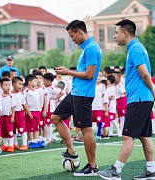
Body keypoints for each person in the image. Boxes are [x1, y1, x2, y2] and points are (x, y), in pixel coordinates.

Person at [98, 19, 155, 180]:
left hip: (138, 98)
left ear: (125, 33)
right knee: (144, 136)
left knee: (127, 136)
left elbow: (145, 73)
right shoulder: (136, 48)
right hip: (141, 98)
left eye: (116, 33)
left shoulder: (136, 49)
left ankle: (116, 171)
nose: (115, 36)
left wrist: (154, 91)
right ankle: (152, 171)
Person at [51, 19, 102, 176]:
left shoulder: (92, 48)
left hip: (83, 95)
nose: (71, 39)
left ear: (80, 32)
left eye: (72, 36)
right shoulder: (87, 49)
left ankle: (92, 167)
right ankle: (72, 152)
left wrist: (68, 72)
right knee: (56, 117)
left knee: (86, 130)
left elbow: (90, 74)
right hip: (75, 93)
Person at [11, 77, 30, 151]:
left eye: (22, 84)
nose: (21, 86)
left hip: (20, 113)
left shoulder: (21, 94)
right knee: (12, 129)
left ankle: (24, 144)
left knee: (22, 129)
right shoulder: (10, 94)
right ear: (13, 84)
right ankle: (14, 143)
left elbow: (24, 104)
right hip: (12, 114)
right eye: (19, 84)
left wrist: (28, 111)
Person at [0, 78, 16, 152]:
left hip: (8, 117)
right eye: (6, 85)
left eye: (9, 85)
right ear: (1, 86)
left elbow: (13, 107)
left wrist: (12, 116)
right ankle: (5, 145)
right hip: (1, 116)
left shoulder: (11, 96)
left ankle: (11, 145)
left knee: (10, 131)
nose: (8, 87)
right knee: (3, 131)